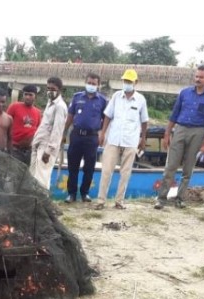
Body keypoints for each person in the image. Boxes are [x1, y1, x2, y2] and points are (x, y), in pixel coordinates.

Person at [154, 65, 204, 210]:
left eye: (201, 77)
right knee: (171, 166)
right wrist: (167, 133)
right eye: (196, 76)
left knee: (188, 168)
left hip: (198, 132)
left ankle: (180, 199)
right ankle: (161, 198)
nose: (198, 79)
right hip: (180, 129)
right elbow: (174, 114)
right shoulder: (184, 93)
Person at [94, 69, 149, 210]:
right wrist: (102, 133)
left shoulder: (141, 100)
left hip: (130, 141)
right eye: (125, 81)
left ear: (135, 82)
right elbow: (107, 116)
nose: (127, 83)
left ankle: (119, 201)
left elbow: (144, 121)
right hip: (113, 140)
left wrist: (143, 139)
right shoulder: (116, 96)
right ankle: (101, 201)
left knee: (125, 173)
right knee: (106, 171)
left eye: (130, 81)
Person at [64, 73, 108, 203]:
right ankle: (71, 194)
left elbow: (106, 118)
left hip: (92, 137)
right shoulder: (77, 97)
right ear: (85, 82)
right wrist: (64, 132)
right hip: (76, 135)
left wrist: (103, 133)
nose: (91, 85)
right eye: (89, 83)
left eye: (94, 84)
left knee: (89, 167)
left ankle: (85, 193)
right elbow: (70, 116)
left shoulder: (102, 100)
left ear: (98, 85)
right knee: (73, 166)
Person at [29, 77, 68, 190]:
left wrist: (48, 151)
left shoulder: (60, 106)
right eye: (48, 88)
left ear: (60, 90)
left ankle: (41, 204)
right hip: (38, 144)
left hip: (46, 148)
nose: (50, 91)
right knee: (33, 177)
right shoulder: (50, 103)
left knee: (41, 179)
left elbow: (57, 131)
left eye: (53, 89)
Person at [8, 85, 42, 166]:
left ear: (35, 96)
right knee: (14, 174)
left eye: (30, 95)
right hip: (14, 149)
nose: (27, 97)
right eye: (25, 94)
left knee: (26, 175)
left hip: (29, 151)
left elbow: (38, 131)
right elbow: (6, 124)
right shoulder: (14, 107)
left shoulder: (37, 112)